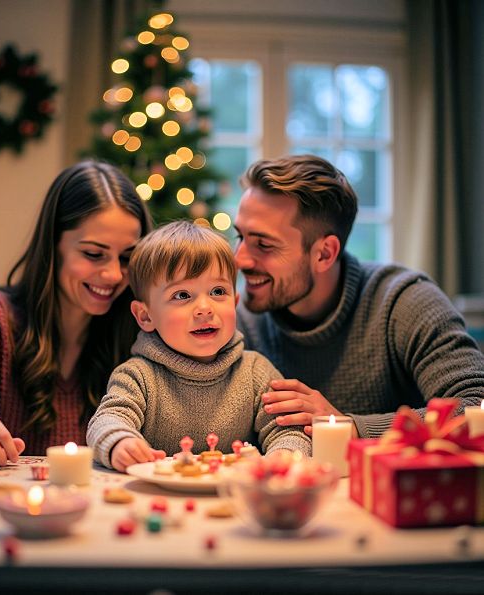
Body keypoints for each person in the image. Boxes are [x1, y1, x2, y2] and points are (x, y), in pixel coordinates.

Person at [0, 160, 152, 467]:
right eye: (93, 254)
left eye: (127, 257)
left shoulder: (136, 330)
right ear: (53, 246)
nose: (113, 274)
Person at [234, 154, 484, 439]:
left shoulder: (404, 302)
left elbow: (475, 406)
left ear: (325, 254)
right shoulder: (244, 318)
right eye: (239, 237)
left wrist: (350, 428)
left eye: (263, 245)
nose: (239, 260)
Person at [86, 221, 310, 472]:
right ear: (145, 316)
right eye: (182, 295)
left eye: (217, 291)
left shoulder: (255, 371)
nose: (205, 308)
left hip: (235, 500)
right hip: (161, 500)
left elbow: (287, 428)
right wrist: (119, 442)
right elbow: (107, 420)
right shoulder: (137, 376)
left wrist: (285, 453)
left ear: (235, 303)